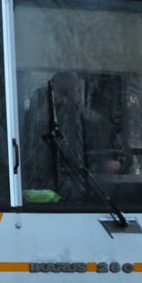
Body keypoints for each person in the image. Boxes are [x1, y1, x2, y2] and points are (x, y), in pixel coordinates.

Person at [20, 71, 122, 200]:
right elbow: (27, 159)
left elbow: (119, 154)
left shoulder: (94, 122)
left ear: (79, 92)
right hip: (42, 193)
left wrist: (111, 163)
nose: (65, 97)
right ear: (50, 93)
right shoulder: (35, 123)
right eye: (61, 91)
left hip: (89, 195)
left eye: (71, 90)